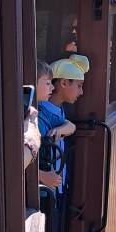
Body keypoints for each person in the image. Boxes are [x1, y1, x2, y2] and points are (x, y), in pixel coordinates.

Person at [38, 56, 88, 192]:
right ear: (64, 83)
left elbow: (69, 126)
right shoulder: (41, 114)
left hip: (56, 183)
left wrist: (66, 128)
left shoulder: (57, 109)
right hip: (45, 188)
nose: (81, 92)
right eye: (79, 86)